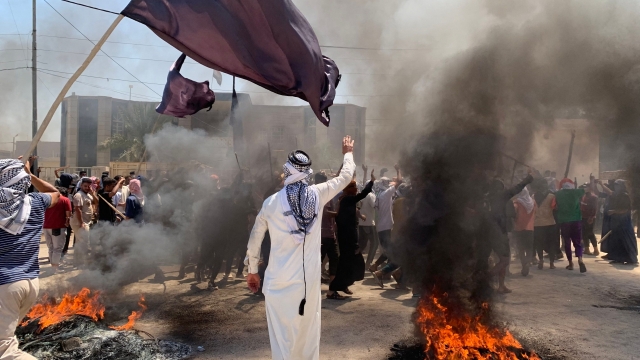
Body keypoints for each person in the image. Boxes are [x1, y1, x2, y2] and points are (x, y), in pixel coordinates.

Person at [245, 136, 356, 360]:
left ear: (287, 171)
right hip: (308, 284)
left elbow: (255, 237)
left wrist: (252, 271)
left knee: (281, 337)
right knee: (307, 334)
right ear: (306, 172)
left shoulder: (271, 202)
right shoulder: (318, 194)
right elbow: (345, 177)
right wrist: (348, 152)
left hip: (278, 282)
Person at [0, 158, 59, 360]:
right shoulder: (34, 202)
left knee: (5, 350)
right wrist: (30, 174)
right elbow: (55, 193)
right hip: (29, 284)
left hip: (5, 286)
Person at [484, 170, 533, 294]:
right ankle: (483, 280)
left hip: (489, 231)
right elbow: (516, 189)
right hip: (499, 231)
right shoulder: (502, 195)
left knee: (501, 260)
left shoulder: (487, 197)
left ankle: (501, 286)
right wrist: (528, 179)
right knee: (505, 260)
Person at [328, 172, 374, 299]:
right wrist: (371, 182)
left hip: (347, 238)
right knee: (347, 264)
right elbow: (363, 194)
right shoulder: (347, 199)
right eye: (354, 187)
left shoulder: (346, 200)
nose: (356, 189)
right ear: (350, 190)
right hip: (348, 239)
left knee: (351, 264)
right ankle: (332, 290)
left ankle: (342, 285)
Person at [369, 164, 402, 272]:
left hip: (380, 227)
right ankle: (377, 268)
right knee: (390, 251)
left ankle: (378, 268)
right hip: (386, 226)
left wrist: (373, 177)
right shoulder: (386, 194)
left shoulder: (378, 195)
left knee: (388, 250)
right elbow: (399, 182)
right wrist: (398, 170)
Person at [599, 180, 638, 264]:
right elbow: (609, 192)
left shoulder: (625, 196)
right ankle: (617, 258)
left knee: (626, 241)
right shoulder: (617, 195)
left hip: (624, 223)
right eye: (615, 185)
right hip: (617, 223)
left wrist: (614, 211)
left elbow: (625, 210)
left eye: (618, 185)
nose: (616, 187)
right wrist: (601, 184)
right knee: (616, 241)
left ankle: (630, 259)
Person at [555, 178, 587, 272]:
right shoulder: (576, 192)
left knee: (567, 242)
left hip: (564, 221)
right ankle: (580, 260)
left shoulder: (558, 194)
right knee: (577, 242)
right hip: (576, 220)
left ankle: (570, 263)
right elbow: (586, 189)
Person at [316, 172, 339, 287]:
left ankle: (333, 287)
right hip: (322, 234)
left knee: (334, 258)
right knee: (318, 260)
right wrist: (338, 213)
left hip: (329, 233)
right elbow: (324, 213)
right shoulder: (319, 195)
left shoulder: (326, 194)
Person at [43, 187, 72, 273]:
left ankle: (52, 265)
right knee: (57, 248)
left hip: (45, 227)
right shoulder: (65, 200)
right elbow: (68, 214)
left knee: (50, 247)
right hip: (58, 227)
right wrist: (67, 222)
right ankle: (54, 268)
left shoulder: (48, 200)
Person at [70, 177, 96, 268]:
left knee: (80, 242)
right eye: (85, 186)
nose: (87, 187)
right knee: (84, 242)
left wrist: (93, 193)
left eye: (89, 186)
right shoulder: (79, 195)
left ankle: (77, 262)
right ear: (81, 185)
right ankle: (82, 262)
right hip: (79, 222)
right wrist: (81, 223)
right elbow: (78, 210)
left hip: (86, 221)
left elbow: (96, 202)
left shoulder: (88, 194)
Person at [532, 179, 557, 270]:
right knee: (551, 243)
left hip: (537, 223)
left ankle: (541, 260)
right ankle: (551, 263)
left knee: (539, 243)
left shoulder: (533, 196)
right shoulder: (552, 196)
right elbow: (555, 208)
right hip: (550, 222)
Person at [512, 188, 537, 276]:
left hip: (518, 228)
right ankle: (527, 261)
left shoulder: (516, 202)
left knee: (521, 248)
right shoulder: (533, 202)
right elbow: (536, 213)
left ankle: (524, 264)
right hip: (530, 228)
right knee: (529, 248)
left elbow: (513, 213)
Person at [358, 164, 378, 268]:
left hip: (362, 223)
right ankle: (368, 263)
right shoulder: (370, 195)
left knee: (362, 244)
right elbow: (375, 206)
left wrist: (366, 173)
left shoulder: (362, 194)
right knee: (375, 243)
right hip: (369, 223)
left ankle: (353, 260)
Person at [581, 183, 599, 256]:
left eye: (586, 187)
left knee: (590, 233)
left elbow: (594, 208)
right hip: (583, 217)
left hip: (590, 217)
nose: (585, 189)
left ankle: (596, 249)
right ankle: (587, 249)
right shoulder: (583, 196)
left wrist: (591, 217)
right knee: (584, 233)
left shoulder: (593, 197)